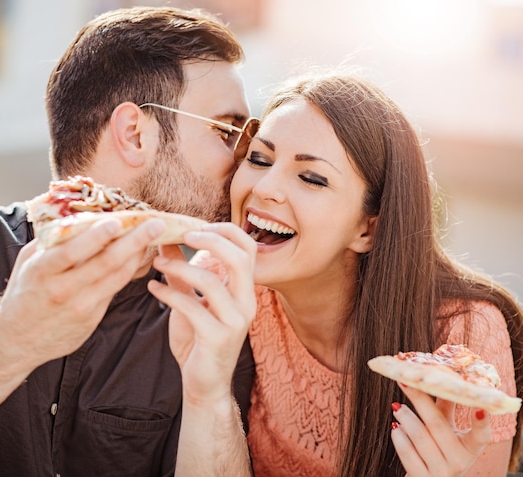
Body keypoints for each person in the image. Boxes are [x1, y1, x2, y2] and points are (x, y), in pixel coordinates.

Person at [0, 6, 257, 477]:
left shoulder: (211, 315)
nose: (245, 161)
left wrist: (210, 396)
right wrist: (13, 334)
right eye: (229, 131)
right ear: (134, 134)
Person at [148, 69, 523, 476]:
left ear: (368, 229)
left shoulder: (466, 339)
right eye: (259, 158)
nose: (265, 187)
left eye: (312, 178)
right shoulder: (219, 281)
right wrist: (208, 394)